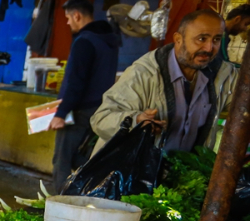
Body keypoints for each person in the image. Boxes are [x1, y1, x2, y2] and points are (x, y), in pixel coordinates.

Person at [91, 9, 237, 154]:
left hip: (181, 173)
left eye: (216, 39)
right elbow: (101, 118)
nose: (209, 48)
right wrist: (136, 121)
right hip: (131, 172)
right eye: (201, 39)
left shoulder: (224, 74)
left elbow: (242, 105)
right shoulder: (144, 73)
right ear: (178, 39)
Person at [47, 0, 119, 189]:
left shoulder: (84, 42)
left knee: (62, 160)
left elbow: (76, 82)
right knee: (84, 157)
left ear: (77, 16)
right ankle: (85, 195)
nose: (68, 22)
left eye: (68, 18)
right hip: (99, 109)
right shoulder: (109, 40)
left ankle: (60, 206)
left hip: (78, 111)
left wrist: (61, 113)